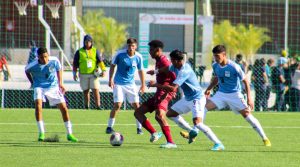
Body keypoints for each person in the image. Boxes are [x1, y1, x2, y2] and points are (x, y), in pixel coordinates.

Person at [150, 49, 225, 151]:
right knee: (171, 114)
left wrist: (155, 85)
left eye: (172, 60)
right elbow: (167, 68)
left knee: (198, 123)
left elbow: (173, 88)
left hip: (197, 99)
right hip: (188, 98)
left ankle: (218, 143)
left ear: (178, 61)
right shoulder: (175, 66)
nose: (171, 62)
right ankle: (191, 131)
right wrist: (155, 71)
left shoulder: (184, 71)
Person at [202, 45, 271, 146]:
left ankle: (265, 138)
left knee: (247, 116)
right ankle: (195, 131)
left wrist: (249, 98)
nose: (216, 58)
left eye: (217, 56)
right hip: (221, 94)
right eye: (214, 56)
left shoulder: (234, 66)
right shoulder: (215, 65)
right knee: (203, 108)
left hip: (235, 95)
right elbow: (216, 78)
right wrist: (209, 88)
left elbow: (246, 81)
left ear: (224, 55)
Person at [25, 47, 78, 142]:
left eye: (45, 56)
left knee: (64, 108)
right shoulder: (33, 65)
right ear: (38, 57)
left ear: (48, 55)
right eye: (41, 57)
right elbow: (26, 71)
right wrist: (32, 82)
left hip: (53, 87)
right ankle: (41, 133)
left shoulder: (54, 60)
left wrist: (61, 83)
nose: (44, 59)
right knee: (38, 106)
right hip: (39, 87)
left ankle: (70, 134)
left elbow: (59, 69)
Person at [134, 40, 177, 148]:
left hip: (164, 92)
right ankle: (154, 133)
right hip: (158, 92)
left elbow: (173, 72)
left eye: (151, 50)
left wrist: (173, 89)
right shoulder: (158, 61)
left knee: (159, 115)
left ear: (158, 50)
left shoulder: (163, 61)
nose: (150, 52)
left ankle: (171, 142)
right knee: (138, 113)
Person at [106, 38, 145, 134]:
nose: (131, 48)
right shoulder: (120, 54)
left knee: (137, 106)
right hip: (118, 84)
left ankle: (139, 128)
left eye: (133, 46)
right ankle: (109, 127)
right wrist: (110, 79)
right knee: (118, 104)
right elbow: (112, 65)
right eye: (129, 46)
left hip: (131, 85)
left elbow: (140, 71)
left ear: (136, 46)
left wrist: (143, 84)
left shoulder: (139, 57)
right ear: (127, 46)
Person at [73, 35, 106, 109]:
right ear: (84, 42)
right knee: (85, 91)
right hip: (83, 74)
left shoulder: (95, 50)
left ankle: (98, 106)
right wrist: (74, 73)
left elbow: (100, 61)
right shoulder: (79, 52)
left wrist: (103, 70)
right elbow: (75, 64)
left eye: (89, 42)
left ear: (91, 42)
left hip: (93, 74)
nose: (88, 43)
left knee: (95, 89)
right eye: (86, 42)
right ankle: (86, 106)